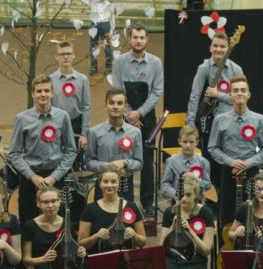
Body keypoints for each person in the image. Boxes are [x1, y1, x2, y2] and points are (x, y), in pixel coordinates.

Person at [8, 75, 77, 226]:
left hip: (55, 177)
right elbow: (14, 154)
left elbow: (71, 151)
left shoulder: (63, 117)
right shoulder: (22, 118)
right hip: (30, 178)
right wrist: (32, 176)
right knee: (28, 223)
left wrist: (54, 177)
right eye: (39, 91)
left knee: (57, 222)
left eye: (46, 90)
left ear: (52, 93)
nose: (43, 94)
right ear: (33, 94)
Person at [112, 23, 163, 216]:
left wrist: (139, 113)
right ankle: (127, 200)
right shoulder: (119, 62)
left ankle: (147, 201)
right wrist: (129, 114)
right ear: (130, 39)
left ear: (146, 39)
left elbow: (157, 92)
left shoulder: (155, 63)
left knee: (147, 160)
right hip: (124, 117)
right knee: (125, 159)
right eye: (135, 37)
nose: (139, 41)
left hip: (147, 117)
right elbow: (117, 90)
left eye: (142, 37)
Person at [208, 75, 263, 227]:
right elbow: (212, 147)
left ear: (249, 94)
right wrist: (231, 161)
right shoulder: (220, 119)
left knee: (252, 212)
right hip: (227, 171)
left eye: (243, 90)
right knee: (227, 213)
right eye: (235, 90)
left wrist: (247, 163)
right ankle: (226, 240)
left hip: (251, 172)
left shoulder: (260, 120)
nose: (239, 94)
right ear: (230, 95)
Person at [85, 88, 143, 201]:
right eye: (111, 103)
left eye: (119, 103)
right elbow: (88, 162)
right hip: (103, 185)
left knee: (126, 212)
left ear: (125, 107)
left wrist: (125, 163)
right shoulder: (94, 132)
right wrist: (108, 166)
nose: (115, 106)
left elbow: (139, 163)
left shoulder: (135, 132)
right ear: (105, 106)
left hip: (125, 185)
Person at [185, 31, 244, 130]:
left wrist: (218, 95)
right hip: (209, 122)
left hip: (231, 120)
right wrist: (190, 123)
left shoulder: (236, 69)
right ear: (210, 48)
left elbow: (241, 99)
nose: (218, 49)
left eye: (222, 46)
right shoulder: (204, 67)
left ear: (228, 48)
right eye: (215, 46)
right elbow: (194, 96)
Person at [50, 41, 91, 154]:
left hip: (76, 125)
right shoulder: (50, 80)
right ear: (56, 57)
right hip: (56, 125)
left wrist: (84, 134)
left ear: (73, 55)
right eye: (62, 54)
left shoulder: (82, 79)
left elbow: (86, 107)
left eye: (68, 53)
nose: (66, 57)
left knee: (76, 161)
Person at [159, 125, 211, 200]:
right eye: (185, 142)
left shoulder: (204, 162)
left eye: (191, 142)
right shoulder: (171, 161)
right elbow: (165, 184)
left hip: (197, 202)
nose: (188, 145)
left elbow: (208, 184)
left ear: (197, 142)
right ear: (179, 141)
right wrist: (177, 195)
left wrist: (196, 179)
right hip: (178, 202)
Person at [80, 0, 114, 75]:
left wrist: (112, 29)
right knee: (93, 46)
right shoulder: (91, 1)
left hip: (105, 24)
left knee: (107, 46)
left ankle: (109, 67)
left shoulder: (109, 4)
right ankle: (93, 67)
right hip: (94, 24)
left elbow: (112, 17)